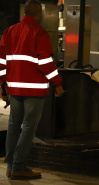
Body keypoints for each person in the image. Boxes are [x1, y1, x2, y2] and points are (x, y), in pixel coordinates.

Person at [0, 0, 64, 180]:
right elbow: (45, 62)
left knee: (13, 126)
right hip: (34, 90)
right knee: (28, 127)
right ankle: (19, 167)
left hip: (14, 87)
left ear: (24, 12)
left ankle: (11, 166)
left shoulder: (9, 32)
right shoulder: (39, 32)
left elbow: (2, 62)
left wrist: (3, 85)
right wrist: (57, 84)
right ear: (39, 14)